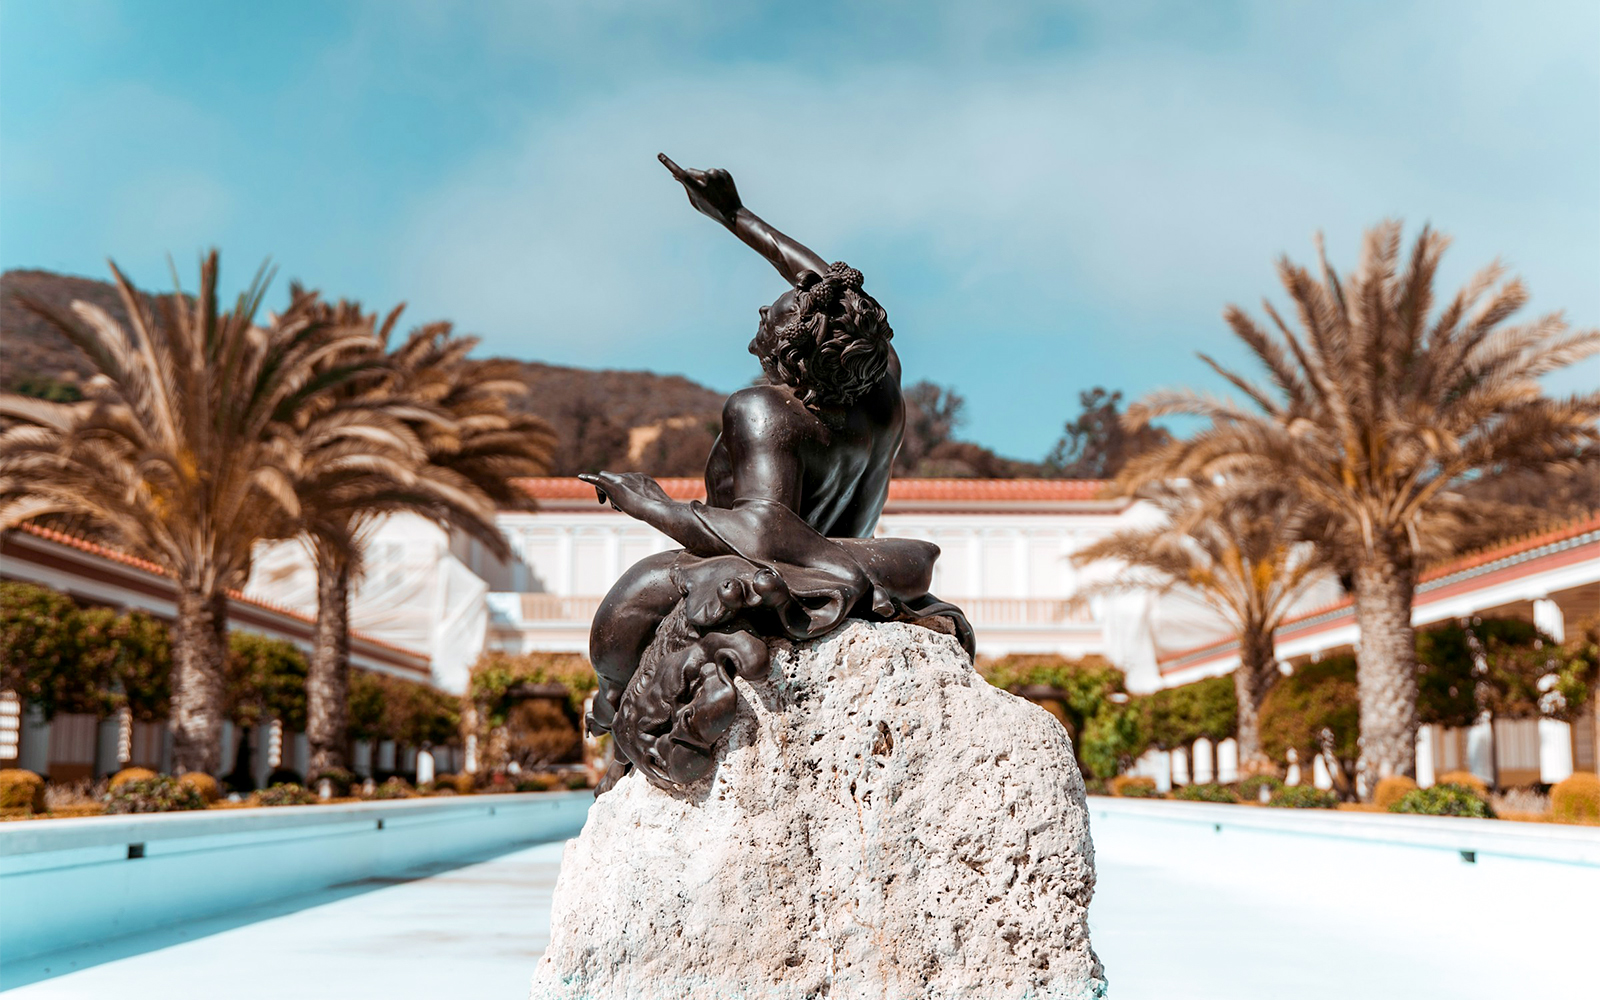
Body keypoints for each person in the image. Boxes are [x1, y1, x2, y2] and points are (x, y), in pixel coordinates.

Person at [581, 156, 970, 790]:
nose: (767, 310)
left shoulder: (765, 411)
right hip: (865, 558)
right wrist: (735, 217)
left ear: (793, 362)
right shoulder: (879, 388)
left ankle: (614, 710)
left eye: (776, 316)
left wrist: (648, 503)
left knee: (627, 603)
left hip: (789, 566)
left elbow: (765, 531)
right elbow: (833, 294)